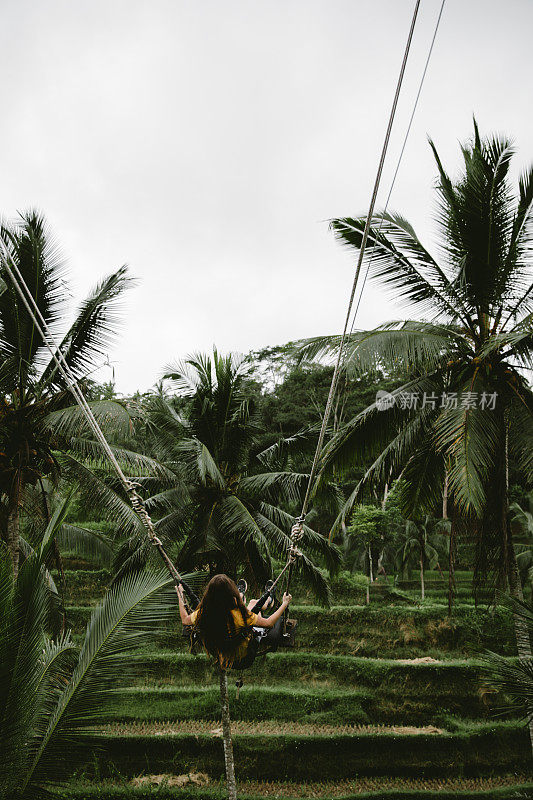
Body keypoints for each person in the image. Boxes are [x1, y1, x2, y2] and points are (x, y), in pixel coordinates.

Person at [176, 573, 292, 669]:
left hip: (222, 658)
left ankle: (242, 594)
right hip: (245, 658)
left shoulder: (204, 613)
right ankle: (269, 599)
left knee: (251, 605)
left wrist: (180, 594)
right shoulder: (240, 617)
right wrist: (285, 603)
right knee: (253, 603)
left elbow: (185, 620)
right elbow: (269, 623)